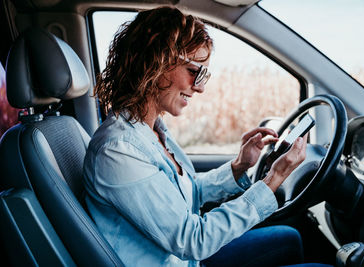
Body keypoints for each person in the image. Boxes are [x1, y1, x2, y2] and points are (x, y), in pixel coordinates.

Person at [83, 6, 330, 267]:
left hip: (187, 261)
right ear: (154, 63)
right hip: (184, 257)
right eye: (194, 71)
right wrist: (274, 179)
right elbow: (193, 240)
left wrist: (239, 166)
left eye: (203, 75)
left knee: (289, 237)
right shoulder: (119, 151)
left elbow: (190, 193)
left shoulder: (151, 130)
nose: (200, 87)